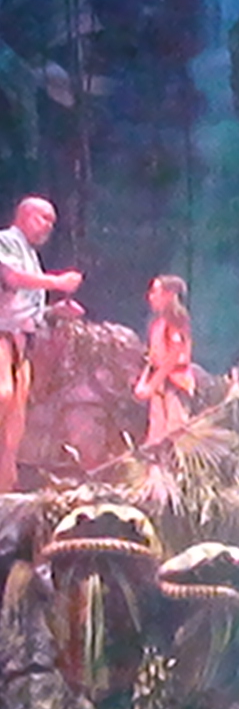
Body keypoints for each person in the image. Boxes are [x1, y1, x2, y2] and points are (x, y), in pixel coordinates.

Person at [0, 196, 82, 492]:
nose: (48, 226)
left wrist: (54, 311)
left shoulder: (32, 257)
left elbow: (24, 308)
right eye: (43, 218)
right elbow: (11, 278)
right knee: (2, 395)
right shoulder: (5, 241)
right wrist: (57, 283)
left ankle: (4, 489)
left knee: (15, 422)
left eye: (51, 222)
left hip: (22, 344)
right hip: (2, 337)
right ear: (24, 215)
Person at [134, 274, 195, 446]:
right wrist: (143, 382)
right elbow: (153, 359)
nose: (150, 297)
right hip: (159, 388)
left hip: (175, 386)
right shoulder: (157, 325)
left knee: (174, 436)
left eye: (156, 292)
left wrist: (151, 385)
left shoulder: (176, 322)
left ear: (169, 295)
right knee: (155, 436)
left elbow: (173, 357)